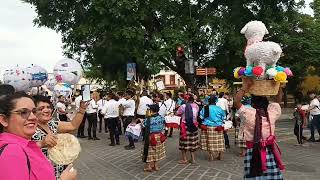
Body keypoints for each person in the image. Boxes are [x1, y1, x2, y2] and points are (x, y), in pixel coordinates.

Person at [0, 92, 77, 180]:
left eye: (33, 111)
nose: (32, 117)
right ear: (4, 120)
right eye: (23, 112)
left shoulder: (23, 145)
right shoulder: (12, 150)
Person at [235, 78, 284, 179]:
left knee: (253, 175)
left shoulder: (249, 113)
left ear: (252, 104)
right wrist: (278, 86)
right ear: (267, 104)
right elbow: (278, 101)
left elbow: (236, 102)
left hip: (253, 151)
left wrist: (245, 87)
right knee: (272, 175)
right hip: (269, 150)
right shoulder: (271, 113)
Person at [32, 95, 88, 178]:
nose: (46, 110)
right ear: (33, 112)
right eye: (41, 108)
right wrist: (41, 143)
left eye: (48, 107)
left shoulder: (52, 124)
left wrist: (82, 110)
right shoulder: (29, 128)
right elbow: (23, 150)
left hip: (60, 171)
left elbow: (72, 125)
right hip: (43, 174)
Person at [199, 96, 226, 161]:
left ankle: (211, 156)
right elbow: (223, 117)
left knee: (209, 141)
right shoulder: (219, 108)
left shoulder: (205, 108)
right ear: (215, 101)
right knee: (220, 141)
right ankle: (220, 155)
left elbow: (201, 117)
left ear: (208, 101)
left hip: (208, 127)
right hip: (218, 127)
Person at [141, 104, 166, 172]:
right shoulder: (161, 117)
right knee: (157, 151)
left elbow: (143, 125)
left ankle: (148, 166)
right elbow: (164, 126)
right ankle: (156, 165)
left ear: (151, 110)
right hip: (159, 136)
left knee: (149, 151)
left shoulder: (148, 119)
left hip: (151, 137)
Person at [176, 96, 199, 164]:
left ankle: (184, 159)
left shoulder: (183, 106)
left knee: (183, 142)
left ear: (187, 100)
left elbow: (178, 113)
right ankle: (193, 159)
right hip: (194, 126)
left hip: (185, 126)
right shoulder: (196, 106)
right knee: (193, 142)